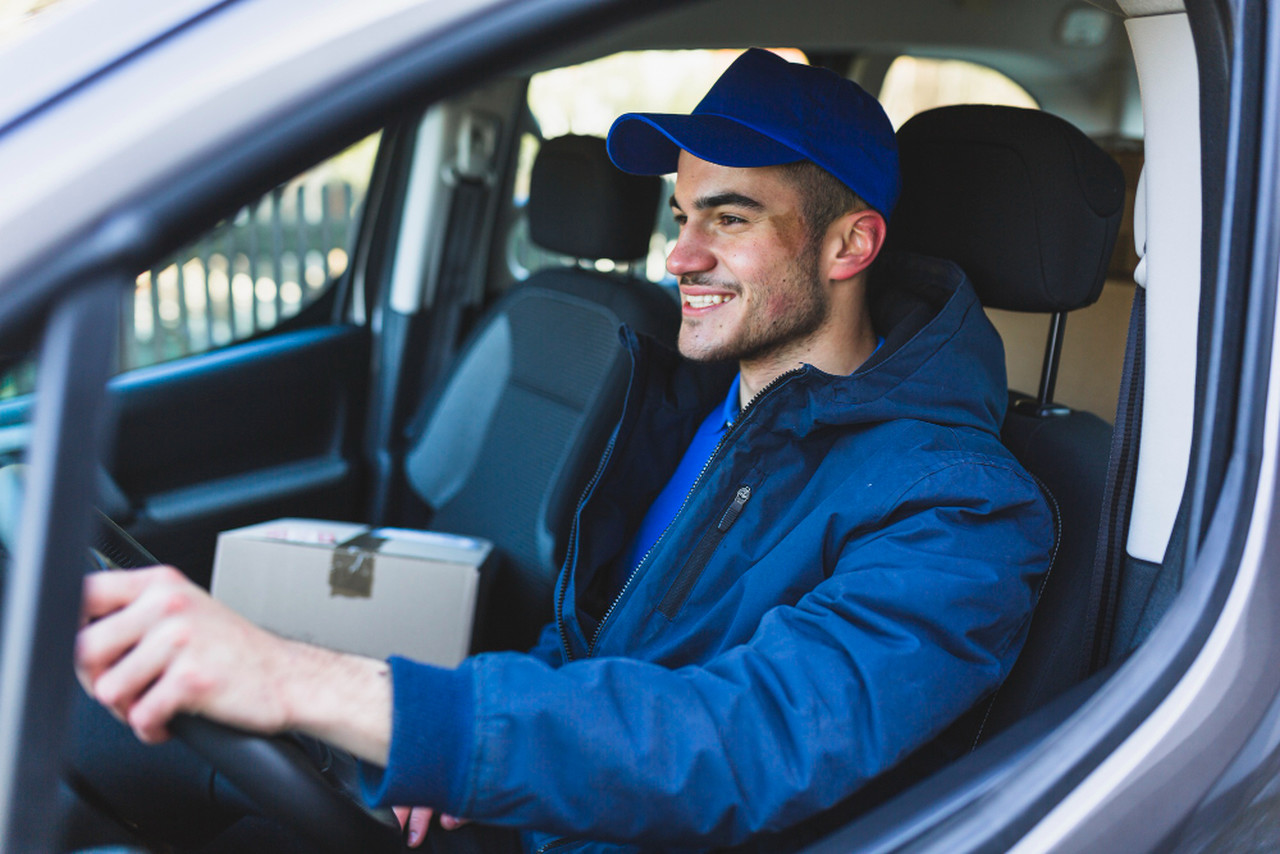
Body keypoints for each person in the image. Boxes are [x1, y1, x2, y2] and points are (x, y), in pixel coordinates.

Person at [75, 49, 1052, 853]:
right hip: (559, 810)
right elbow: (592, 640)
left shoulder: (960, 509)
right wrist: (461, 763)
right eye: (681, 216)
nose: (677, 256)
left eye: (729, 218)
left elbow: (745, 740)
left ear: (848, 246)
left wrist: (307, 679)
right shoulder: (701, 404)